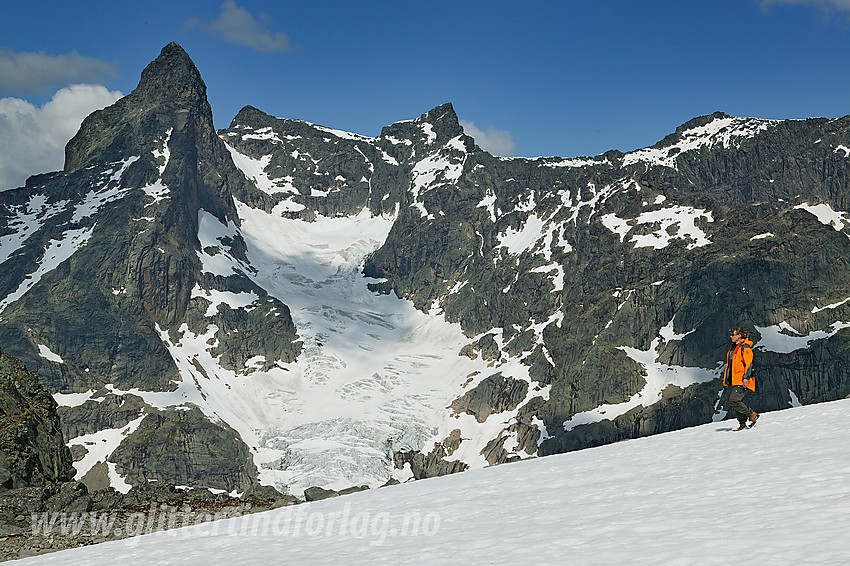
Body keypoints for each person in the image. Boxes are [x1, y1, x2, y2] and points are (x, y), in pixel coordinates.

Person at [723, 327, 758, 431]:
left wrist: (746, 378)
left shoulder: (745, 347)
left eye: (733, 335)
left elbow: (749, 364)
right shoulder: (734, 348)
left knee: (734, 400)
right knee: (737, 401)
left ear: (739, 335)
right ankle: (742, 424)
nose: (731, 337)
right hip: (735, 379)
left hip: (741, 379)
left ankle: (752, 414)